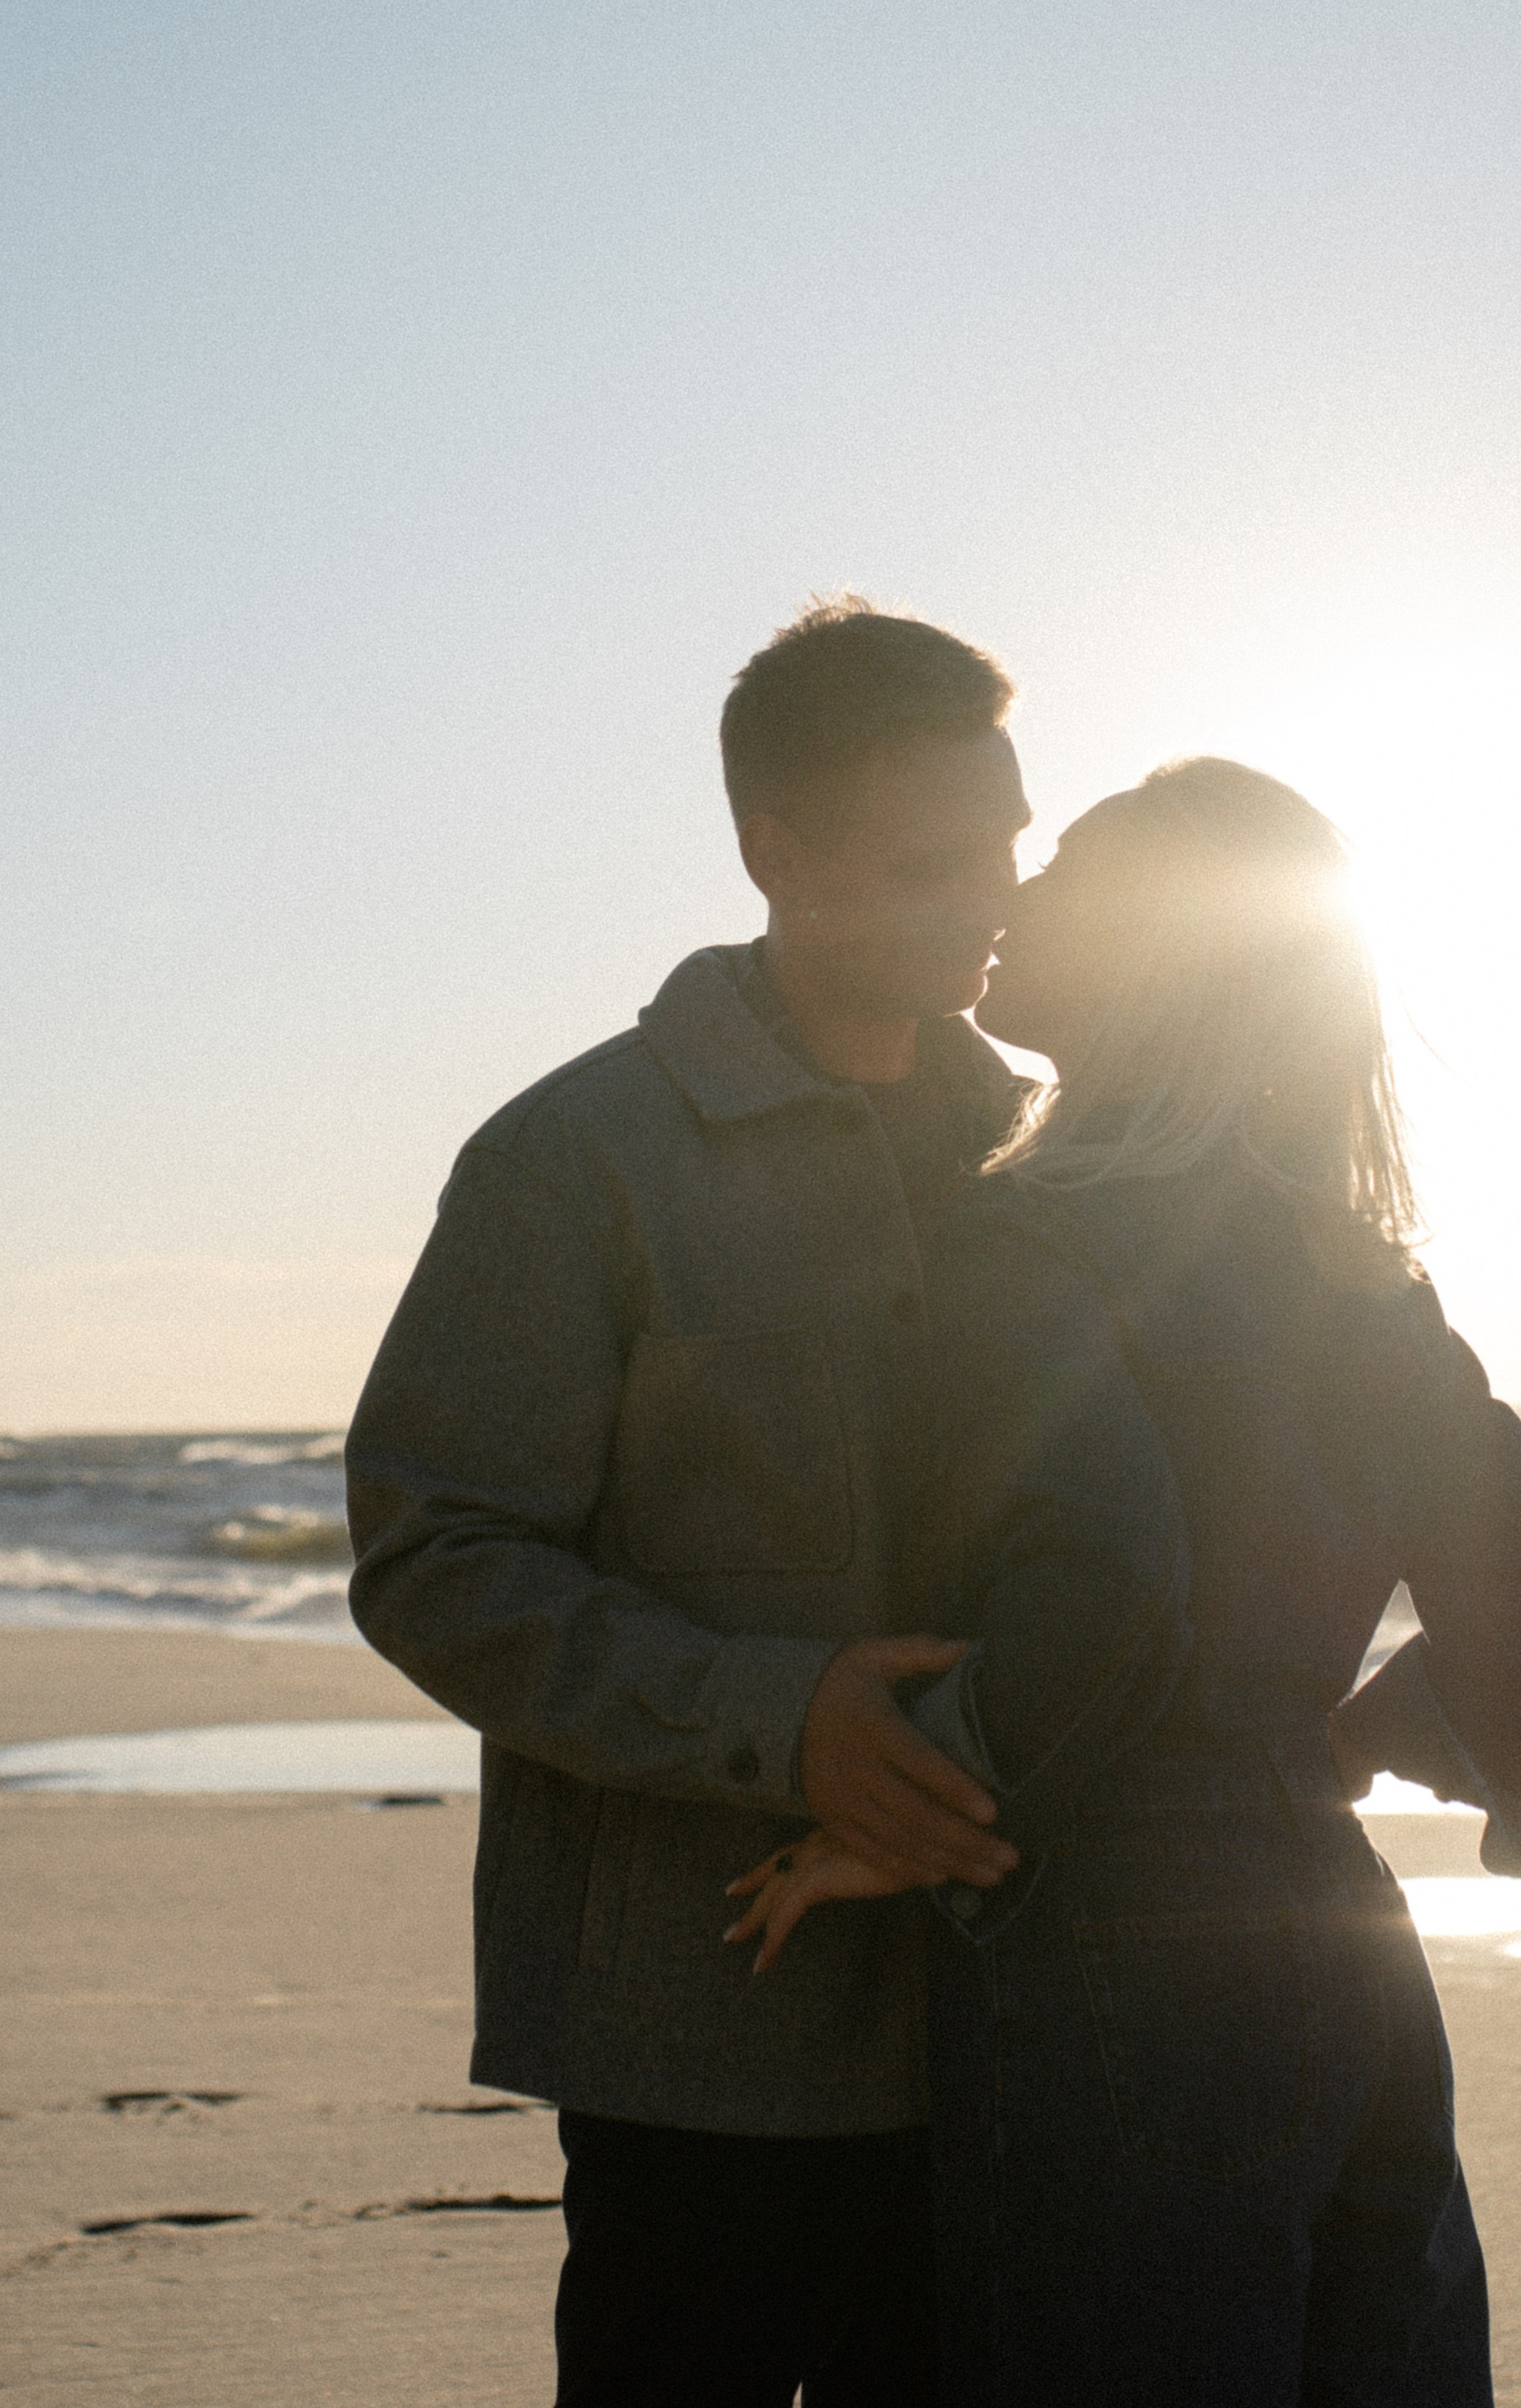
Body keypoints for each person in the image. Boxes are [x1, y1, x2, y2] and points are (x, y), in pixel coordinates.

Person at [728, 757, 1521, 2406]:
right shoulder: (1348, 1271)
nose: (1015, 898)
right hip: (1340, 1938)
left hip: (1108, 1944)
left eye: (1065, 870)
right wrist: (1337, 1751)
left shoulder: (1022, 1243)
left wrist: (917, 1816)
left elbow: (1106, 1596)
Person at [344, 598, 1037, 2408]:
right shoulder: (571, 1162)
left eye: (1010, 844)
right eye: (934, 861)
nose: (996, 898)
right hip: (693, 2042)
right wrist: (770, 1716)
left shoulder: (1051, 1164)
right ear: (772, 854)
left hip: (1016, 2020)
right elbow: (435, 1554)